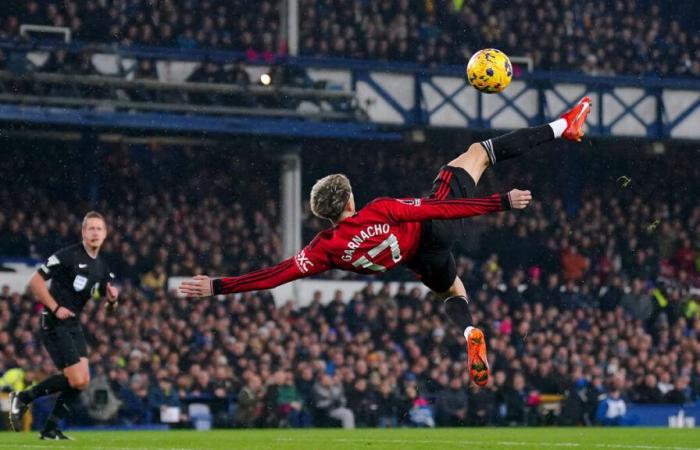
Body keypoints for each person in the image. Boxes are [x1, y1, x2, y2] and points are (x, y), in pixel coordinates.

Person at [180, 97, 593, 387]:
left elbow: (275, 276)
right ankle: (564, 125)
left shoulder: (324, 248)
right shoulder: (379, 209)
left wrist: (218, 285)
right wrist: (499, 202)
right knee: (477, 153)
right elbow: (437, 210)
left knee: (453, 289)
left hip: (420, 260)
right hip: (433, 229)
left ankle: (469, 331)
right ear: (348, 200)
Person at [8, 212, 118, 440]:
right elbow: (35, 282)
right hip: (54, 320)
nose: (95, 233)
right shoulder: (68, 255)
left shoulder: (102, 267)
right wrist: (56, 307)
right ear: (83, 233)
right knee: (76, 379)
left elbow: (109, 311)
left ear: (105, 234)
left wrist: (112, 301)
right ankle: (23, 398)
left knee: (82, 381)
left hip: (72, 323)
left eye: (99, 229)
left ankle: (50, 429)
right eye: (91, 229)